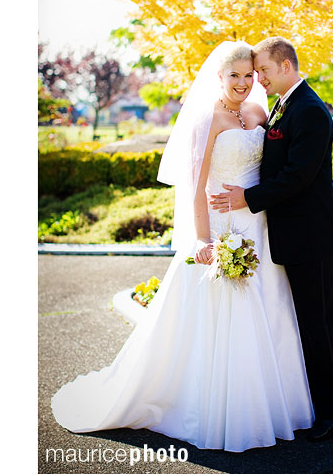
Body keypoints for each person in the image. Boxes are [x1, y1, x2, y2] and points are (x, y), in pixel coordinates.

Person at [50, 41, 314, 452]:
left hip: (259, 227)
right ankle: (221, 408)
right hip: (222, 227)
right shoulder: (207, 120)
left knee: (270, 308)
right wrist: (204, 240)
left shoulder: (260, 113)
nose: (244, 83)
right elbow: (195, 187)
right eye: (235, 76)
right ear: (219, 77)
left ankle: (276, 404)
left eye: (249, 75)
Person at [209, 36, 333, 441]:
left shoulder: (310, 111)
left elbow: (299, 175)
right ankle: (330, 401)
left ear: (285, 66)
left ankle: (330, 411)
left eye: (264, 71)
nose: (259, 81)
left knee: (319, 322)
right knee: (311, 320)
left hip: (312, 235)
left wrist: (247, 198)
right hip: (295, 233)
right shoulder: (284, 105)